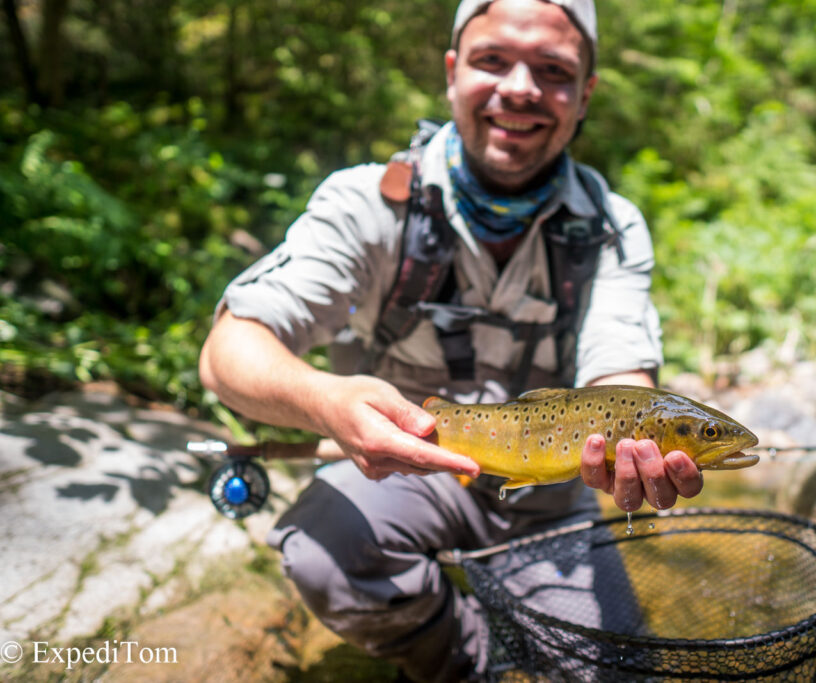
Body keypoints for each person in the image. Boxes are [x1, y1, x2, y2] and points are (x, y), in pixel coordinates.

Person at [199, 0, 704, 680]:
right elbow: (230, 350)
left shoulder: (613, 226)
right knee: (322, 550)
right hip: (407, 470)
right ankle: (465, 661)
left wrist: (634, 446)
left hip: (550, 499)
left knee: (613, 671)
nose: (520, 88)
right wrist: (325, 401)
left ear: (585, 95)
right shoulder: (365, 204)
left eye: (552, 70)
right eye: (493, 60)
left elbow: (620, 374)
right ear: (451, 73)